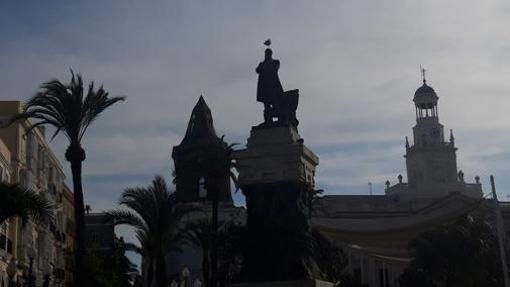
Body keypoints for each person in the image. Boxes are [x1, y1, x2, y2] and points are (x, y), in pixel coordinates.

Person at [256, 48, 284, 123]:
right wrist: (265, 67)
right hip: (264, 89)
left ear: (271, 54)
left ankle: (280, 118)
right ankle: (268, 120)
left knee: (276, 103)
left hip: (274, 88)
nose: (266, 55)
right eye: (266, 53)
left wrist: (265, 69)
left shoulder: (275, 62)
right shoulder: (262, 64)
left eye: (268, 53)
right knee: (266, 105)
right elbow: (258, 70)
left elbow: (274, 69)